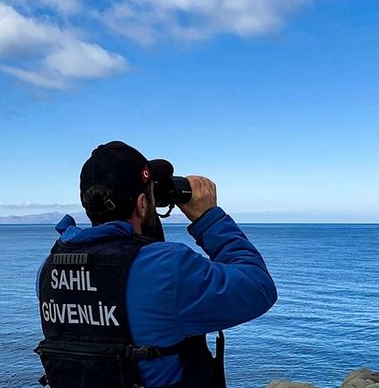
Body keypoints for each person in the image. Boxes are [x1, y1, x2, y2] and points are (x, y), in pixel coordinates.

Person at [35, 141, 277, 388]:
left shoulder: (51, 268)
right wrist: (209, 218)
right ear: (142, 204)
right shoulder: (166, 269)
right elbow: (259, 287)